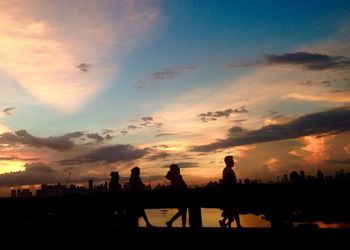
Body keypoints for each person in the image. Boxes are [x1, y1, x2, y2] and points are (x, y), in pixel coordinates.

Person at [219, 155, 243, 228]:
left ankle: (226, 223)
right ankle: (235, 225)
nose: (233, 162)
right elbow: (229, 183)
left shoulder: (229, 170)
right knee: (234, 210)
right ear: (228, 162)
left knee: (233, 211)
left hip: (230, 194)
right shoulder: (227, 171)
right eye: (232, 161)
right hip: (230, 194)